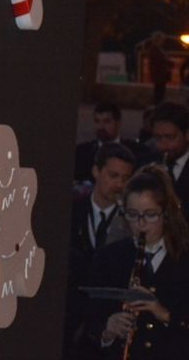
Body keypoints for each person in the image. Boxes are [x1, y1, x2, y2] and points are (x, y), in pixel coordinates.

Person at [80, 165, 189, 356]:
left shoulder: (183, 258)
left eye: (150, 215)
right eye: (132, 214)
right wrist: (108, 331)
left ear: (166, 214)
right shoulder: (108, 257)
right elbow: (90, 321)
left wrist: (163, 313)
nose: (141, 224)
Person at [67, 142, 138, 356]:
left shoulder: (131, 222)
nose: (119, 184)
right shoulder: (71, 211)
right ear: (96, 171)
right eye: (113, 175)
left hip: (104, 325)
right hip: (68, 316)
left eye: (125, 179)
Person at [150, 102, 189, 207]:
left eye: (170, 137)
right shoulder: (147, 164)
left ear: (187, 134)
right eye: (158, 138)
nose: (162, 146)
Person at [78, 102, 128, 183]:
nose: (100, 127)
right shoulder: (81, 152)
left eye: (106, 121)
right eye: (97, 121)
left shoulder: (136, 152)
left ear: (118, 123)